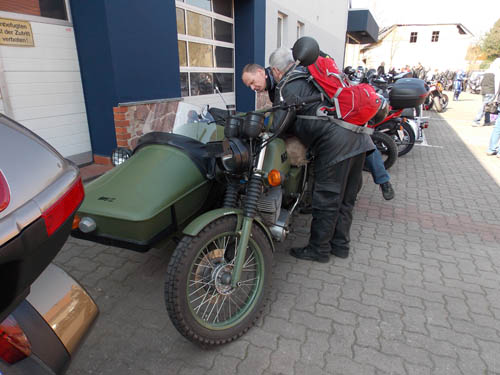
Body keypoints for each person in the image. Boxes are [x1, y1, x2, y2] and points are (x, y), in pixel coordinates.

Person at [266, 48, 375, 263]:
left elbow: (278, 126)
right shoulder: (314, 75)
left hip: (336, 145)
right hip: (359, 137)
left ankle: (319, 249)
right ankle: (340, 245)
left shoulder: (287, 85)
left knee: (327, 198)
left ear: (276, 70)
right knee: (346, 198)